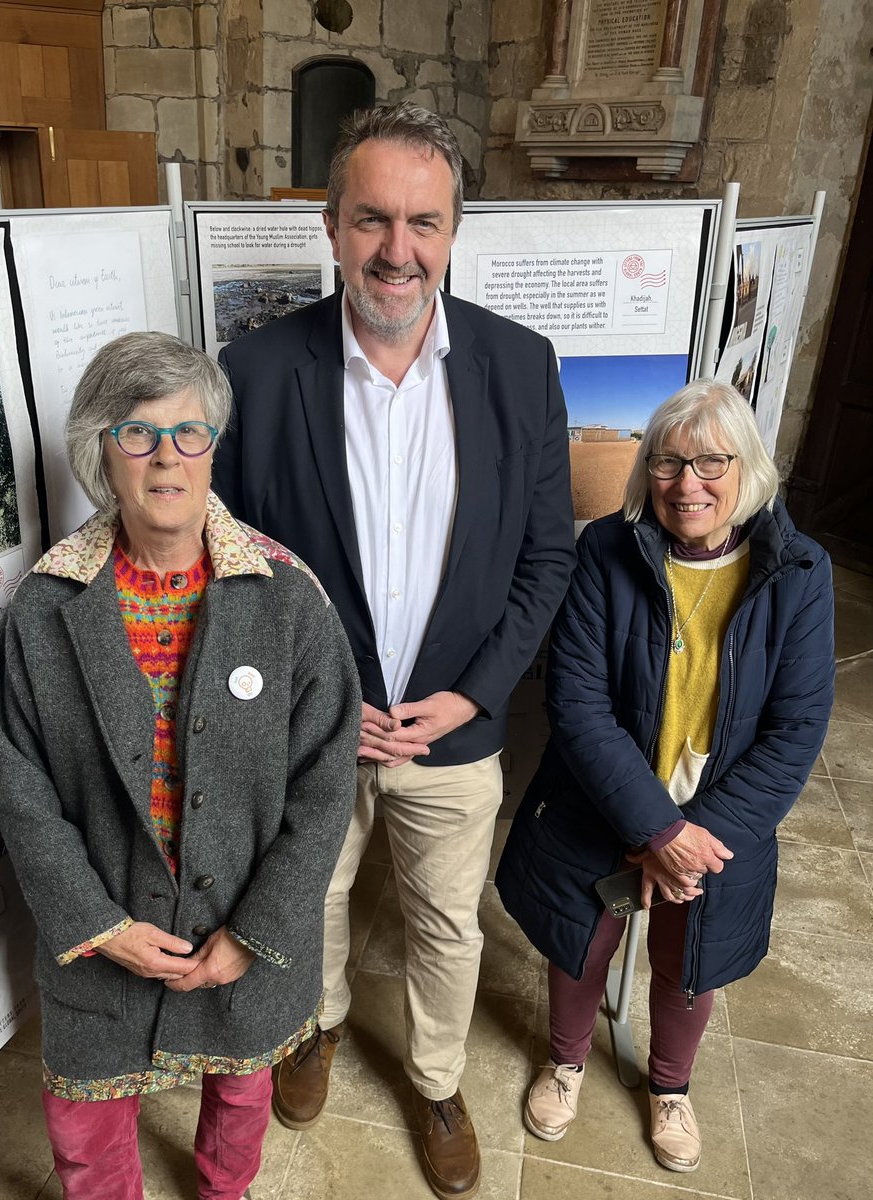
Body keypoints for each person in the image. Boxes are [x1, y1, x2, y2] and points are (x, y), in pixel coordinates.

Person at [214, 102, 575, 1199]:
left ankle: (433, 1081)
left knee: (443, 921)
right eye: (371, 219)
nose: (397, 249)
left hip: (453, 730)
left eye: (423, 222)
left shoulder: (519, 367)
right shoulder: (258, 369)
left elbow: (546, 558)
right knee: (309, 898)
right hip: (316, 728)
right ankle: (311, 1030)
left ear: (454, 232)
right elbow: (232, 570)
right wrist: (308, 698)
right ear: (330, 228)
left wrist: (472, 696)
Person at [0, 332, 361, 1200]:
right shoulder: (45, 609)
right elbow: (21, 784)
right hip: (101, 935)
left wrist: (257, 930)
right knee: (83, 1126)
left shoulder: (288, 597)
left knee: (240, 1092)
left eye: (188, 433)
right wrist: (99, 925)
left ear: (213, 448)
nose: (166, 459)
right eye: (137, 434)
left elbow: (327, 778)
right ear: (99, 453)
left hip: (244, 928)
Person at [497, 380, 835, 1174]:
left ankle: (671, 1087)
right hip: (606, 801)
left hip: (721, 825)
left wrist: (691, 841)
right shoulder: (606, 550)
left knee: (691, 960)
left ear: (747, 468)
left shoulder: (801, 570)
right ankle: (567, 1061)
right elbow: (575, 703)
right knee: (582, 941)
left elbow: (795, 732)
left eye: (712, 462)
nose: (689, 485)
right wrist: (656, 831)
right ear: (646, 471)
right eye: (669, 462)